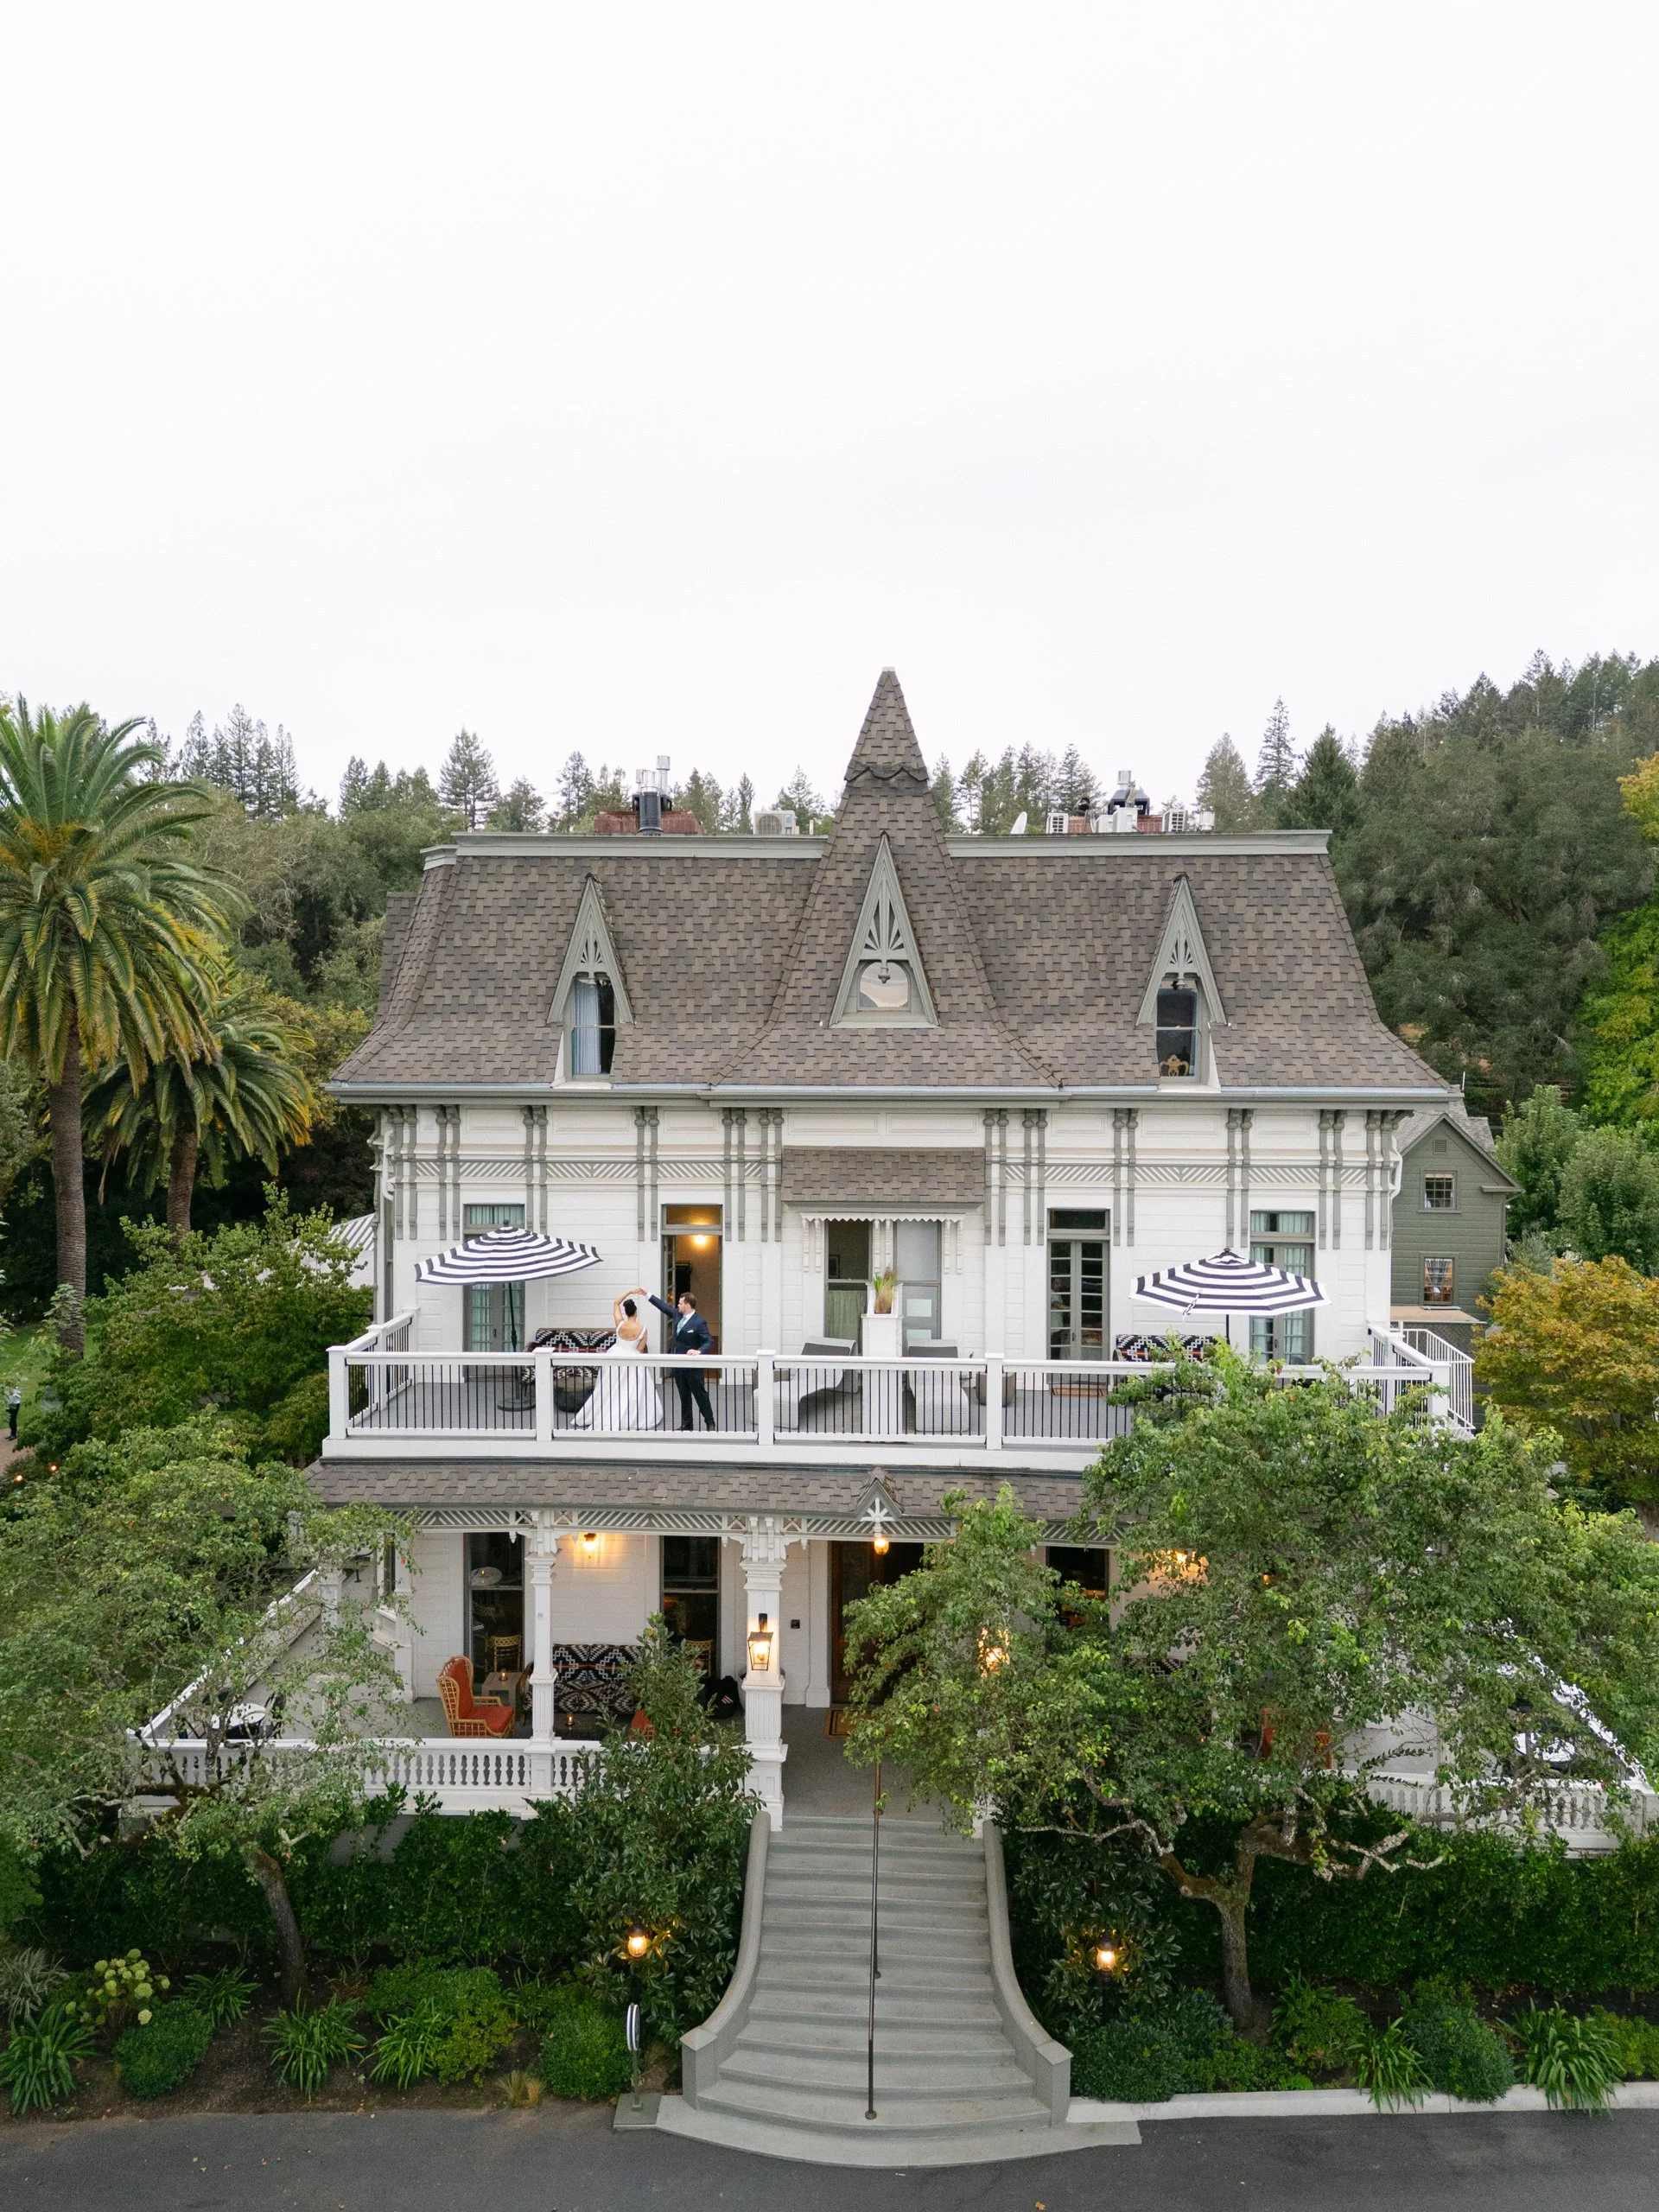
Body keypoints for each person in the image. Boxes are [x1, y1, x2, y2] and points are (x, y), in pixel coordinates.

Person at [570, 1293, 663, 1430]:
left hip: (615, 1356)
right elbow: (640, 1348)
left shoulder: (619, 1324)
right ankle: (627, 1415)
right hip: (632, 1358)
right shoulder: (643, 1329)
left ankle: (605, 1410)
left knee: (609, 1387)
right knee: (631, 1390)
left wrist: (629, 1292)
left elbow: (615, 1303)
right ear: (636, 1312)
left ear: (626, 1312)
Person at [647, 1287, 718, 1431]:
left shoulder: (699, 1322)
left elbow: (708, 1341)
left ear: (687, 1305)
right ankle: (687, 1424)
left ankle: (710, 1422)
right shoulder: (677, 1315)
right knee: (684, 1395)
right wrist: (647, 1295)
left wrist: (699, 1351)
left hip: (693, 1367)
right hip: (678, 1365)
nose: (677, 1305)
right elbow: (663, 1307)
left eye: (680, 1303)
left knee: (700, 1395)